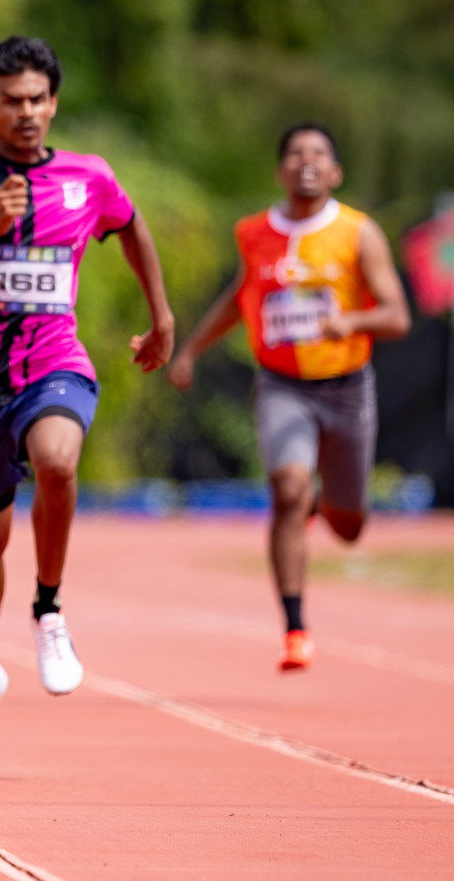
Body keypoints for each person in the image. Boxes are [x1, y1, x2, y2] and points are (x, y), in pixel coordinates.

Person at [0, 36, 174, 772]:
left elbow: (132, 226)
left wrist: (162, 316)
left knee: (58, 462)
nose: (26, 113)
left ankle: (49, 608)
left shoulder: (89, 178)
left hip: (54, 363)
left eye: (37, 100)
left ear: (53, 103)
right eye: (11, 101)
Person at [167, 123, 409, 671]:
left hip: (346, 387)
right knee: (286, 484)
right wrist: (191, 350)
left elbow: (397, 315)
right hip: (281, 386)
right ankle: (295, 629)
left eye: (319, 153)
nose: (307, 160)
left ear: (335, 172)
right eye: (295, 153)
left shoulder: (359, 232)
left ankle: (321, 507)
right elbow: (239, 296)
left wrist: (349, 319)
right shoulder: (253, 233)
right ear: (280, 171)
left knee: (349, 527)